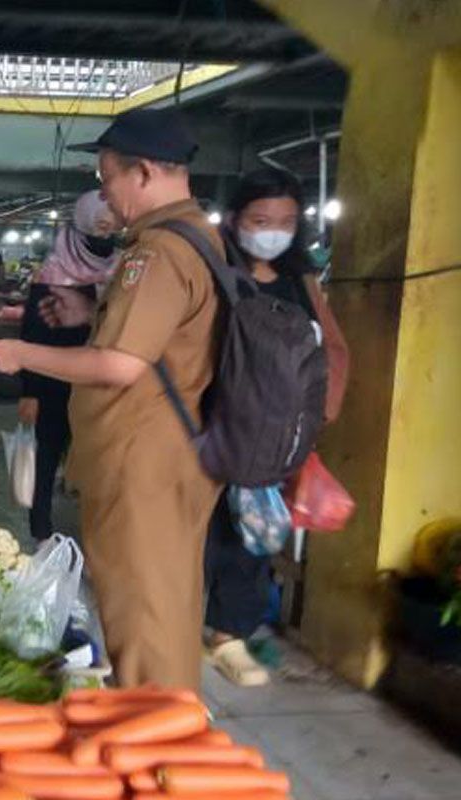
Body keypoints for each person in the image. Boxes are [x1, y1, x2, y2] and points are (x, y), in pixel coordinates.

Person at [0, 107, 222, 690]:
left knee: (145, 621)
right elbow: (161, 346)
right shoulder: (192, 238)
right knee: (158, 608)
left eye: (107, 178)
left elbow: (118, 366)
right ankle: (161, 730)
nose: (105, 195)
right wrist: (91, 314)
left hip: (145, 464)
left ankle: (158, 752)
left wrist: (22, 355)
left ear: (142, 173)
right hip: (166, 458)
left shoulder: (159, 252)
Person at [203, 167, 350, 686]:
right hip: (211, 419)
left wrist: (318, 418)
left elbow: (330, 345)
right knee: (204, 524)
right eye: (260, 219)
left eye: (286, 221)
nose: (272, 230)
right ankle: (189, 621)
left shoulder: (299, 278)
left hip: (275, 430)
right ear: (236, 219)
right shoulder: (213, 266)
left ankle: (229, 634)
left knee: (255, 529)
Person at [20, 191, 119, 542]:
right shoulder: (52, 274)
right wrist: (29, 392)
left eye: (112, 228)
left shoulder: (121, 270)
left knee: (97, 461)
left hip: (101, 383)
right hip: (53, 381)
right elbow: (31, 334)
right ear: (82, 226)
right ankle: (41, 527)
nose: (106, 237)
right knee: (46, 455)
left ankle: (95, 533)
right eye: (99, 227)